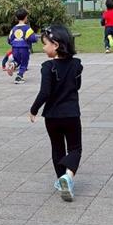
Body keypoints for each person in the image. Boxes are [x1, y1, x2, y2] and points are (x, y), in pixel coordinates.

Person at [28, 24, 83, 202]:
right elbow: (77, 86)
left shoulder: (47, 66)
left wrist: (34, 109)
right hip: (71, 114)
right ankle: (68, 177)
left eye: (45, 44)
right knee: (75, 148)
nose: (43, 48)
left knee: (57, 148)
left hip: (52, 117)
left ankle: (62, 180)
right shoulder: (76, 65)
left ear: (56, 45)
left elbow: (45, 92)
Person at [8, 9, 38, 84]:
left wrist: (14, 43)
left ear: (17, 18)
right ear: (25, 17)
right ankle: (19, 76)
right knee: (24, 63)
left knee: (17, 60)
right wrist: (34, 39)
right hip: (24, 48)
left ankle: (12, 64)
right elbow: (33, 38)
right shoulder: (27, 28)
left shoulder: (13, 28)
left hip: (15, 48)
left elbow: (9, 39)